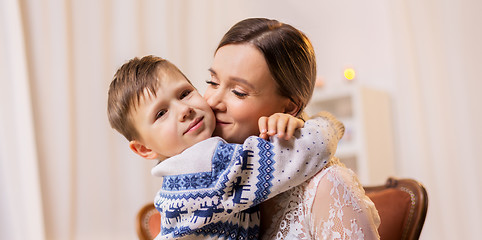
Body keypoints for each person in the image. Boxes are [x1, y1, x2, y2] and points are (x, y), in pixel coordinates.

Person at [107, 55, 345, 239]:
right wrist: (325, 122)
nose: (184, 110)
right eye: (161, 113)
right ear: (144, 150)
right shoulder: (208, 164)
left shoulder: (179, 172)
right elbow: (310, 149)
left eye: (184, 93)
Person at [204, 18, 381, 239]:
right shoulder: (209, 178)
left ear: (289, 108)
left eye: (239, 92)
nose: (212, 102)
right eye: (212, 82)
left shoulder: (327, 186)